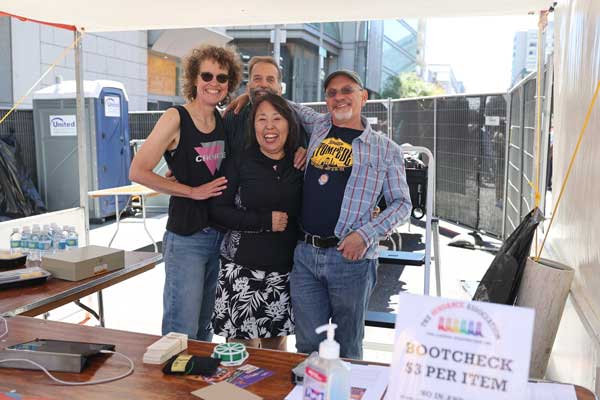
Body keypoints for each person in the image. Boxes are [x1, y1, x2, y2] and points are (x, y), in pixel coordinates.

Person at [289, 70, 412, 359]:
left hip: (351, 259)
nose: (339, 97)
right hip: (305, 255)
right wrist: (250, 94)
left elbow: (401, 204)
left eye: (347, 90)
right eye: (331, 93)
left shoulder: (386, 149)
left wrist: (364, 235)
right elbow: (286, 106)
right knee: (307, 345)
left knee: (347, 348)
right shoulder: (318, 126)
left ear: (363, 97)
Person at [129, 45, 242, 341]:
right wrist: (190, 191)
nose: (213, 83)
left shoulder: (223, 121)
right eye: (207, 75)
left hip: (220, 237)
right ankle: (171, 388)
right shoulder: (175, 117)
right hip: (187, 238)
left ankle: (196, 386)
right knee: (181, 331)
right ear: (194, 78)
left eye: (222, 78)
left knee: (204, 330)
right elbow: (138, 171)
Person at [209, 93, 303, 350]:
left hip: (283, 272)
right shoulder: (239, 162)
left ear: (289, 124)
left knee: (276, 354)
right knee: (240, 355)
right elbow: (218, 211)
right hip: (241, 271)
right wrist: (264, 220)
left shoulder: (300, 161)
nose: (269, 126)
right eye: (261, 119)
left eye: (277, 118)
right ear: (253, 126)